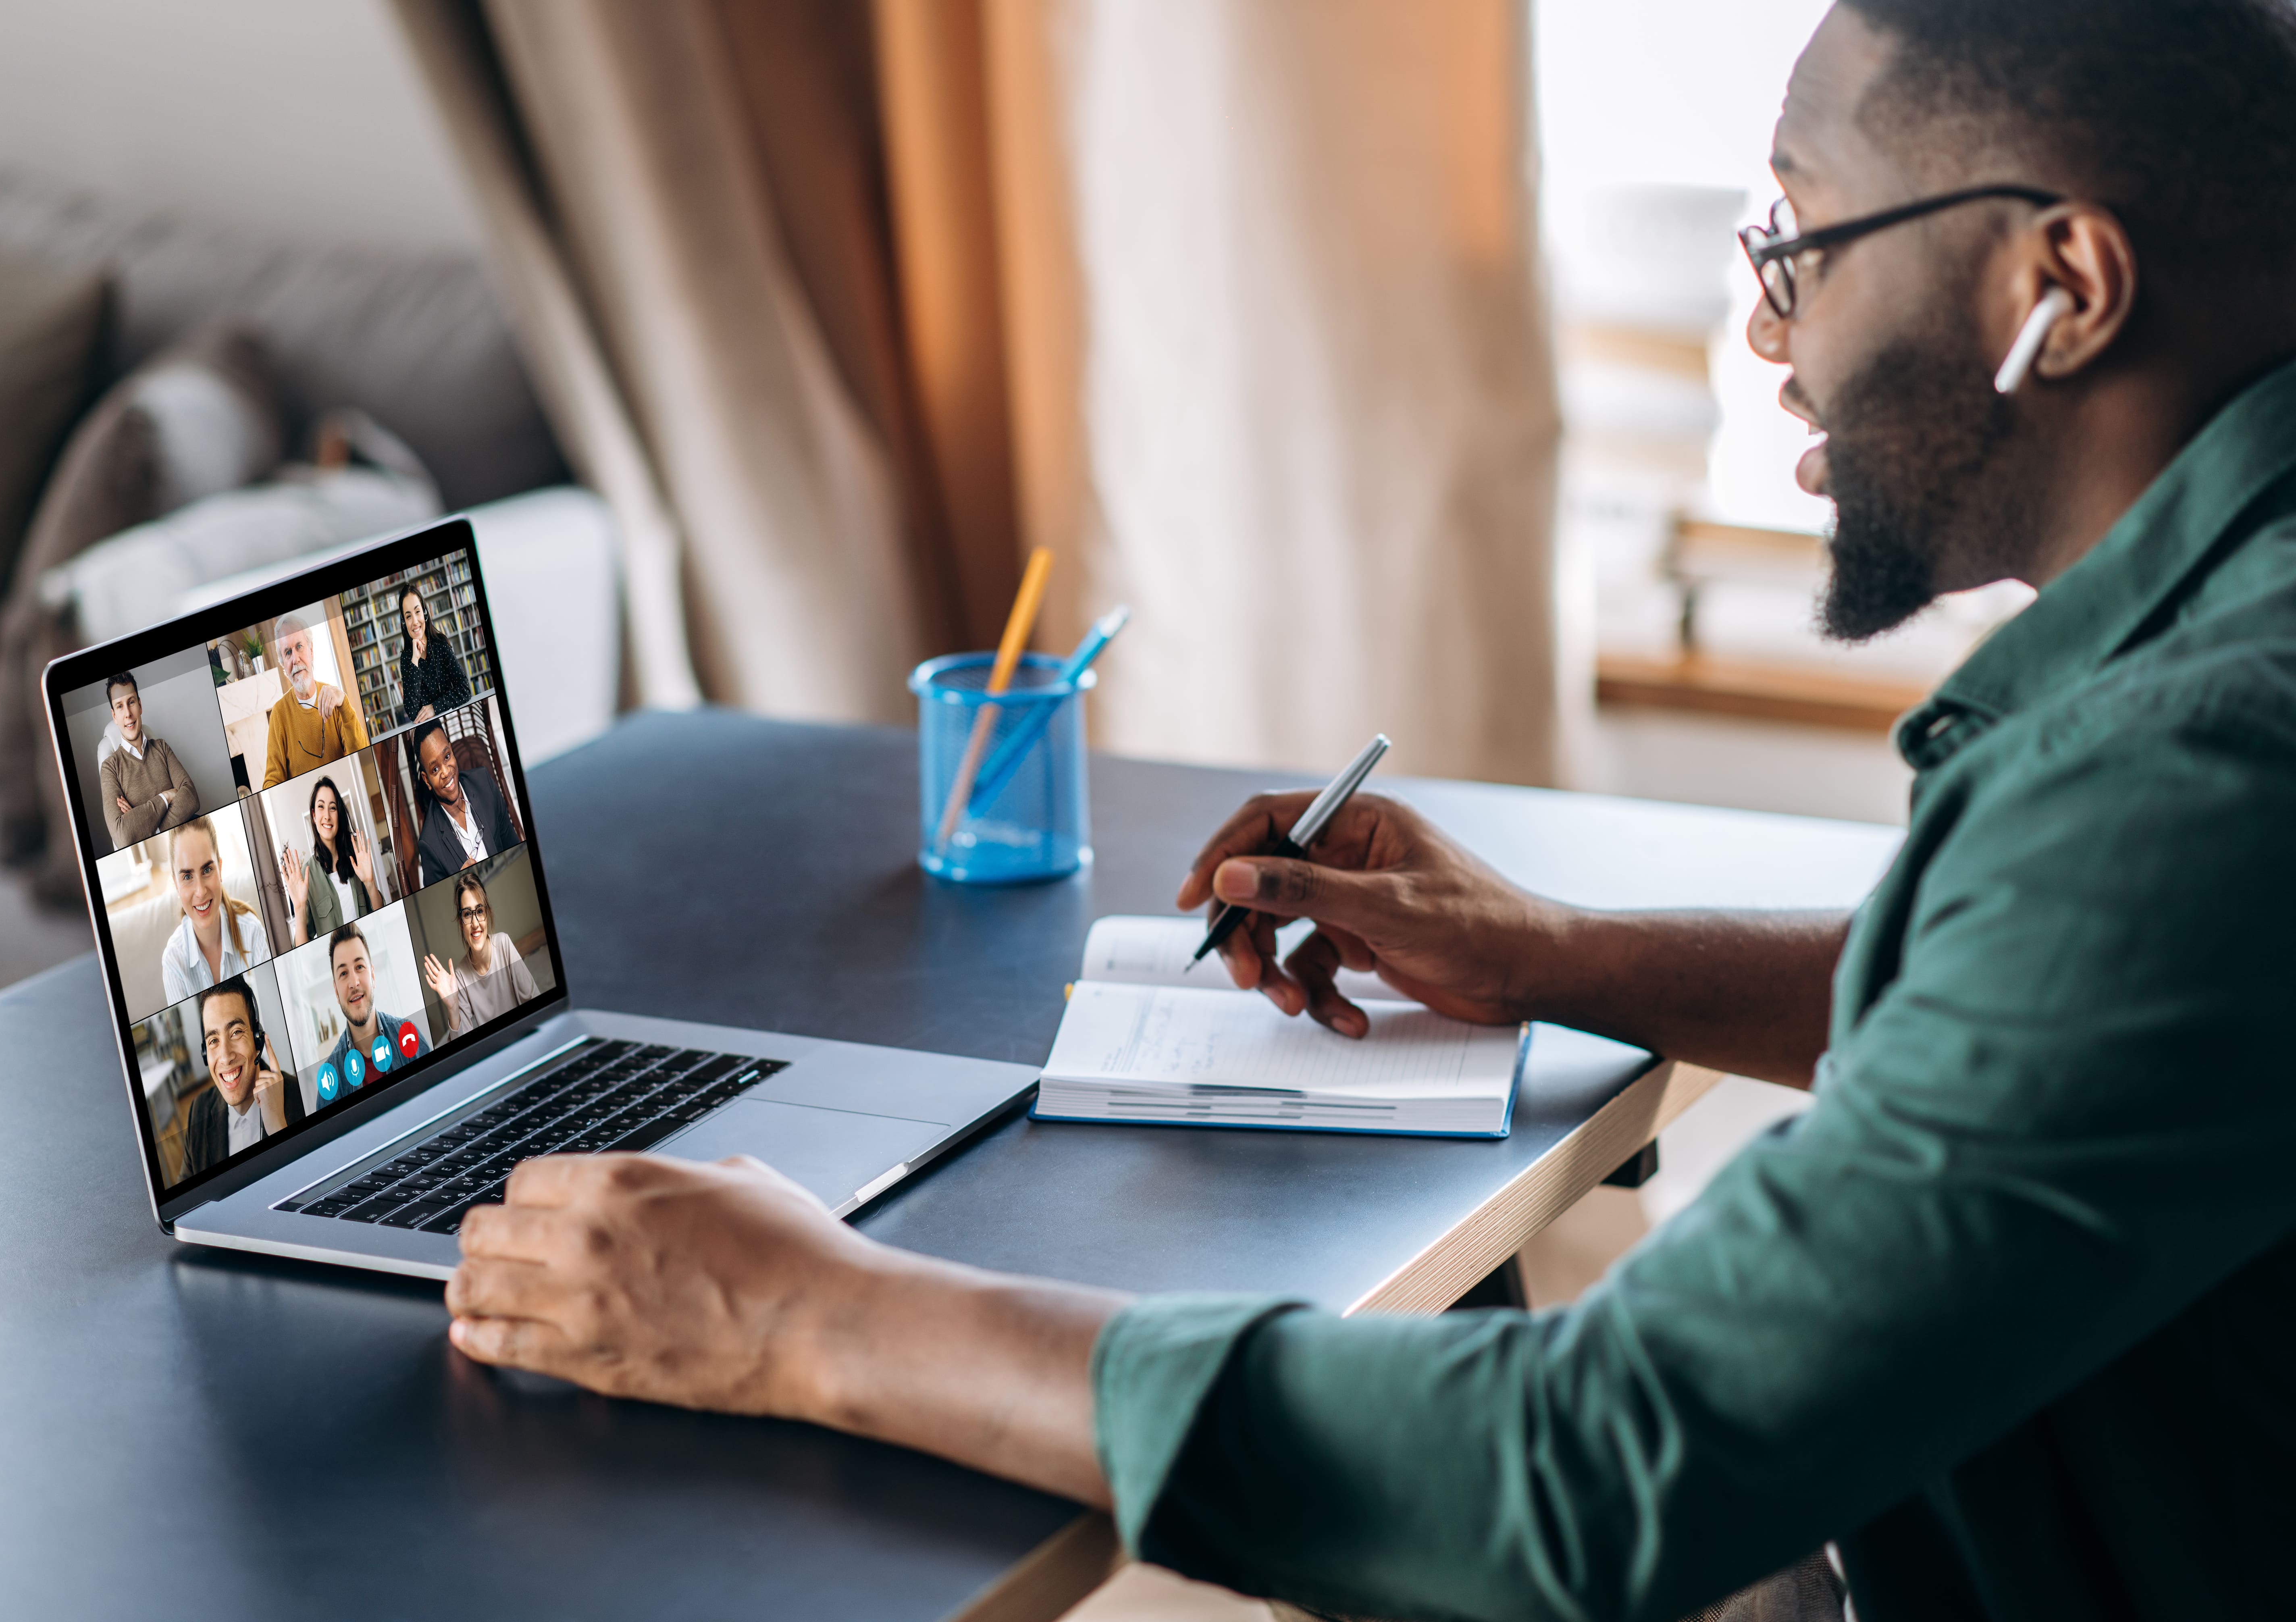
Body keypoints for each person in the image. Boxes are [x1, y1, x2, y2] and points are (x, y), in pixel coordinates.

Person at [439, 4, 2296, 1619]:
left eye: (1803, 240)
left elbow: (1596, 1471)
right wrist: (1552, 954)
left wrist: (810, 1314)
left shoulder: (2195, 778)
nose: (1763, 328)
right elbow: (2067, 1005)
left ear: (2063, 288)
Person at [176, 975, 304, 1183]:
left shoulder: (300, 1096)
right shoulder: (199, 1112)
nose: (225, 1057)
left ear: (257, 1039)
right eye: (214, 1041)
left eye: (236, 1032)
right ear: (205, 1054)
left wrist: (279, 1128)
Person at [157, 817, 271, 1007]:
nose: (201, 892)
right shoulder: (174, 961)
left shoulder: (251, 931)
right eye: (187, 876)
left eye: (207, 870)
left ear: (220, 869)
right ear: (176, 885)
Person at [422, 871, 537, 1040]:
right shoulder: (461, 976)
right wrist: (453, 1007)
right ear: (461, 923)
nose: (475, 923)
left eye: (480, 911)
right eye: (467, 914)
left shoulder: (504, 944)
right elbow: (464, 1044)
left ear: (487, 914)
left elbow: (533, 1000)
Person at [260, 612, 365, 789]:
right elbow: (271, 782)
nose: (295, 659)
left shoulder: (336, 700)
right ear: (283, 665)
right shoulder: (279, 714)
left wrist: (345, 704)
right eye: (288, 653)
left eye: (299, 647)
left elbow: (361, 754)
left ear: (311, 650)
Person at [278, 776, 386, 947]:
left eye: (333, 808)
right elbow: (303, 950)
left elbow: (380, 915)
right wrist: (299, 909)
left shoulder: (356, 859)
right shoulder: (307, 877)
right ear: (314, 816)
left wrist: (370, 883)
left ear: (339, 815)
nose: (327, 816)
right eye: (321, 807)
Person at [411, 717, 521, 886]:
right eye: (435, 769)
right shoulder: (429, 845)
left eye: (447, 757)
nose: (446, 772)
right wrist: (459, 883)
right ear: (427, 781)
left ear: (452, 751)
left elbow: (513, 845)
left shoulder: (484, 783)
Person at [96, 671, 198, 852]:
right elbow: (123, 835)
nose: (128, 714)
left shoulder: (162, 747)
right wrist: (167, 797)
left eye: (131, 702)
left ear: (140, 705)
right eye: (120, 707)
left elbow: (191, 797)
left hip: (192, 835)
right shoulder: (110, 768)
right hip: (159, 853)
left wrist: (147, 826)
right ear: (114, 716)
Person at [319, 922, 412, 1103]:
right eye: (344, 973)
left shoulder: (409, 1036)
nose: (354, 983)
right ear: (336, 992)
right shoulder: (330, 1080)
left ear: (373, 976)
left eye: (360, 967)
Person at [395, 584, 474, 725]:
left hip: (455, 721)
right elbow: (412, 713)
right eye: (408, 616)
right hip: (431, 729)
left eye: (418, 612)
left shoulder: (441, 644)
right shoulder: (407, 659)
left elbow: (465, 689)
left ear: (425, 614)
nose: (415, 622)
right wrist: (415, 660)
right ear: (404, 623)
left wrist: (435, 708)